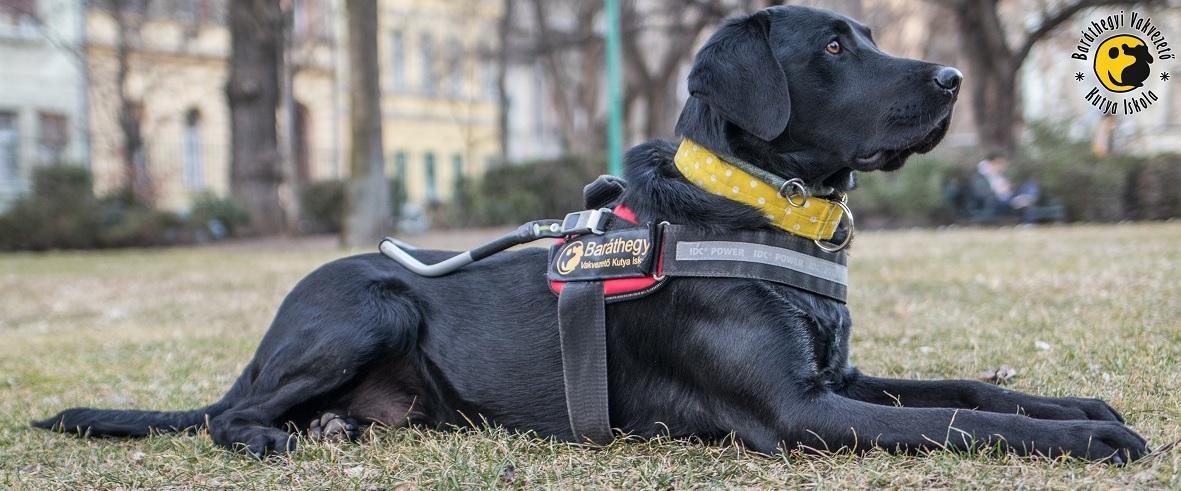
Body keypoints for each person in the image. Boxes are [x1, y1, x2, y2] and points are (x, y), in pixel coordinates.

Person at [968, 153, 1039, 221]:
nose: (1002, 166)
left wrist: (1010, 186)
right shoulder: (979, 176)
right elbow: (981, 192)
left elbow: (1011, 187)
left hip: (1010, 195)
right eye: (1000, 163)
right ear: (991, 163)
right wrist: (997, 190)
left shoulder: (1002, 174)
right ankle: (1021, 201)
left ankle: (1027, 199)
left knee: (1030, 184)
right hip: (995, 200)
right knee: (1018, 202)